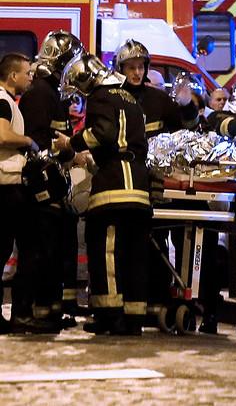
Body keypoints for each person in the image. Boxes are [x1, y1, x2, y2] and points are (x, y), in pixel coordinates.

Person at [54, 53, 152, 335]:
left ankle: (111, 316)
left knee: (106, 250)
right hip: (138, 186)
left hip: (113, 187)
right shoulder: (130, 97)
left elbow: (103, 134)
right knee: (135, 254)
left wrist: (70, 143)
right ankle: (134, 318)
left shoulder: (100, 96)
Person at [112, 39, 202, 328]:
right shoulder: (111, 98)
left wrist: (187, 106)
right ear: (120, 69)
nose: (137, 73)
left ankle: (158, 302)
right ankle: (124, 308)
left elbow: (188, 133)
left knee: (156, 244)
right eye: (131, 67)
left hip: (157, 189)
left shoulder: (159, 100)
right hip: (123, 185)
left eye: (141, 67)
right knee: (125, 247)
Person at [17, 30, 84, 332]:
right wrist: (66, 152)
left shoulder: (53, 94)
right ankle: (29, 314)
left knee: (52, 253)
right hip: (39, 191)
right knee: (38, 253)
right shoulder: (39, 95)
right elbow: (37, 144)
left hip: (53, 189)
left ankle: (48, 313)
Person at [0, 53, 37, 334]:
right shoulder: (3, 101)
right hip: (7, 187)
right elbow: (2, 136)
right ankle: (21, 314)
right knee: (26, 249)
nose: (30, 77)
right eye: (27, 73)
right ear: (13, 76)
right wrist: (29, 142)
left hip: (7, 186)